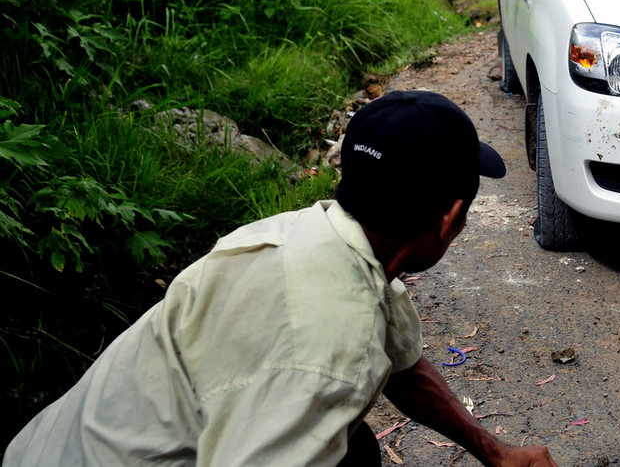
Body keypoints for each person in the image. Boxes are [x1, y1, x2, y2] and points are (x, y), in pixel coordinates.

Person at [3, 91, 561, 467]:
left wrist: (494, 451)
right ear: (449, 219)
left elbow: (404, 366)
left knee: (352, 450)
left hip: (49, 447)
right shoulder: (326, 351)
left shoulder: (324, 237)